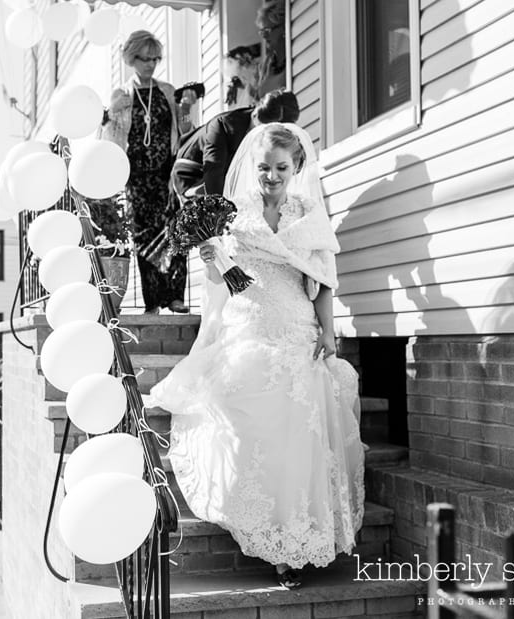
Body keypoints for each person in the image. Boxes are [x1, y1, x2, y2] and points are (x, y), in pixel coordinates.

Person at [148, 123, 364, 589]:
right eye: (264, 167)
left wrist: (328, 332)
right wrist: (211, 259)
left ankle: (293, 545)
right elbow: (227, 282)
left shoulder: (307, 213)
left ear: (297, 168)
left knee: (298, 435)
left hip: (295, 328)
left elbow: (322, 280)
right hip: (248, 323)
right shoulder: (234, 213)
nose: (270, 175)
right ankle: (261, 526)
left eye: (281, 168)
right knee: (246, 424)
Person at [100, 30, 189, 314]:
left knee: (174, 230)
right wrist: (110, 117)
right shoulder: (121, 95)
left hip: (167, 173)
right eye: (145, 59)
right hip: (137, 176)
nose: (151, 64)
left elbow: (184, 129)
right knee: (144, 235)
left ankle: (175, 296)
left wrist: (187, 107)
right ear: (131, 58)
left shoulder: (167, 91)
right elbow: (111, 139)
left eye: (156, 59)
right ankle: (152, 302)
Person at [203, 89, 299, 196]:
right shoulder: (223, 125)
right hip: (196, 178)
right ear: (255, 115)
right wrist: (219, 208)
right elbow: (213, 172)